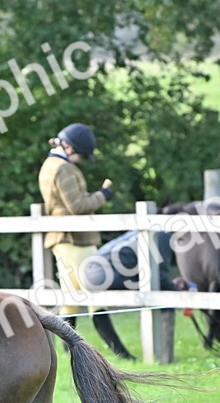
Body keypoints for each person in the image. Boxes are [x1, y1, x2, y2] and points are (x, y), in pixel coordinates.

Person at [37, 123, 124, 353]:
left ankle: (69, 350)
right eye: (81, 155)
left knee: (71, 296)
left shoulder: (50, 164)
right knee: (96, 288)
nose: (81, 160)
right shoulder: (62, 168)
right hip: (74, 238)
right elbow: (76, 206)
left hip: (62, 238)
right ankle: (118, 350)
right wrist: (102, 195)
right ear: (68, 146)